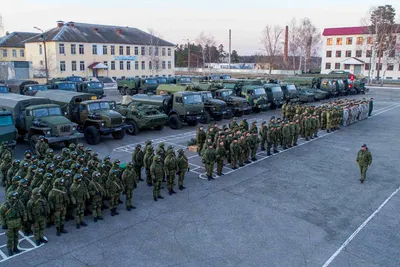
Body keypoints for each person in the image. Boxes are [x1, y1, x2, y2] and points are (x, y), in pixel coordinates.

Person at [0, 191, 27, 256]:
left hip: (18, 222)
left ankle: (15, 248)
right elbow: (1, 214)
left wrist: (25, 219)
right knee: (10, 238)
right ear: (10, 197)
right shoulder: (5, 205)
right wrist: (3, 224)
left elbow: (23, 210)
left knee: (16, 237)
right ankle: (10, 250)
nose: (15, 198)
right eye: (13, 197)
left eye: (15, 196)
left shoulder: (19, 203)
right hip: (9, 224)